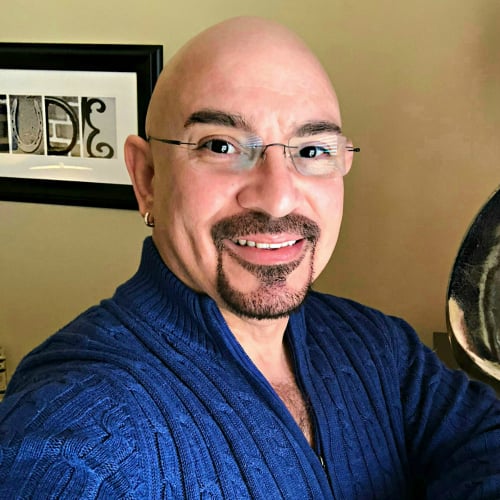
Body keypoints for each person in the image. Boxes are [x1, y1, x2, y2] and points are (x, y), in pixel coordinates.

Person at [0, 16, 499, 499]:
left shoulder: (378, 347)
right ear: (147, 178)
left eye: (312, 151)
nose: (277, 198)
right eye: (221, 146)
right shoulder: (80, 438)